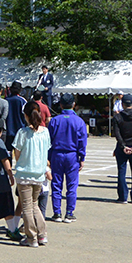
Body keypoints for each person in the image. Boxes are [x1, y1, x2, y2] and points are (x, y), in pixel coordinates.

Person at [13, 101, 51, 247]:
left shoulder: (23, 132)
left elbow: (17, 153)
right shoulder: (45, 132)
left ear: (26, 116)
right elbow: (46, 151)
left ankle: (31, 237)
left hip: (24, 173)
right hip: (39, 173)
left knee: (27, 206)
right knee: (34, 205)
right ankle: (42, 234)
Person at [48, 93, 87, 223]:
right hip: (72, 155)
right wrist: (82, 157)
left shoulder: (55, 120)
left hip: (57, 154)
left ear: (60, 105)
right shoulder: (79, 121)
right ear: (74, 105)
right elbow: (82, 141)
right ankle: (69, 212)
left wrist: (48, 157)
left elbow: (49, 140)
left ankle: (57, 212)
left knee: (56, 183)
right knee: (72, 185)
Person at [5, 81, 27, 157]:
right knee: (20, 152)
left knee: (8, 152)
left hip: (8, 129)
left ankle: (9, 167)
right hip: (20, 129)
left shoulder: (6, 100)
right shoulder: (22, 101)